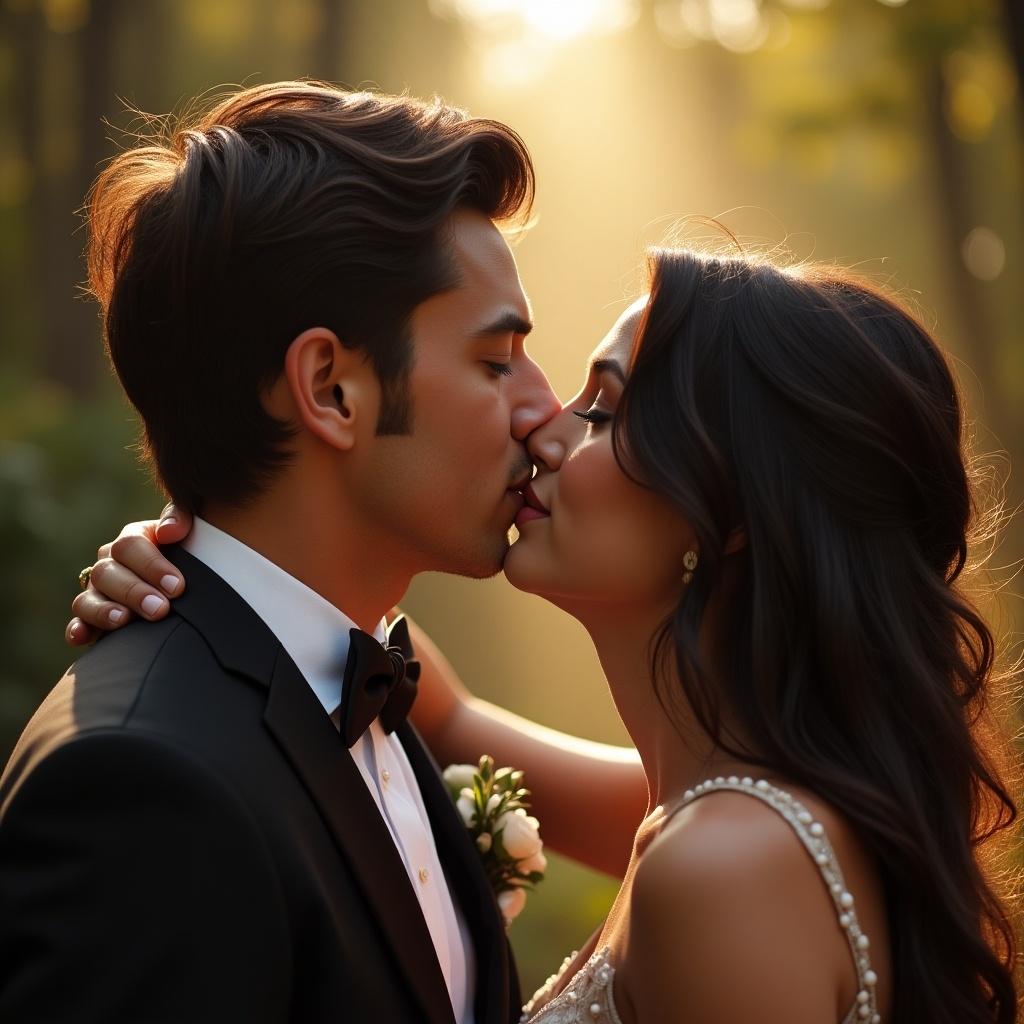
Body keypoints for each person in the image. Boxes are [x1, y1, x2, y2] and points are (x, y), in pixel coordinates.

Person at [78, 250, 1021, 1023]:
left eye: (603, 410)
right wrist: (208, 549)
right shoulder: (715, 807)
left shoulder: (725, 865)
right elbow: (438, 709)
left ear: (726, 513)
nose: (545, 428)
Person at [0, 80, 648, 1024]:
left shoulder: (372, 683)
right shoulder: (142, 791)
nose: (544, 410)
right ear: (331, 389)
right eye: (495, 359)